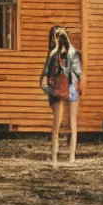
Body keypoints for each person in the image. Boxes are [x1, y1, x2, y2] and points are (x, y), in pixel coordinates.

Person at [40, 25, 83, 166]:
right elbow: (44, 77)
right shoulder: (54, 55)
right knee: (60, 123)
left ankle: (70, 155)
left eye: (60, 36)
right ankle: (57, 155)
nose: (59, 39)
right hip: (62, 88)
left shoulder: (70, 53)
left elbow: (79, 72)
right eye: (57, 36)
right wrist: (50, 91)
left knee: (70, 122)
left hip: (70, 87)